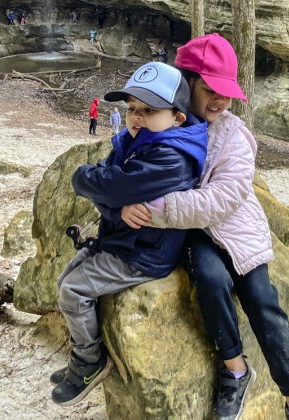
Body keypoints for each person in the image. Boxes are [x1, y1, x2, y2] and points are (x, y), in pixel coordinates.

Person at [121, 34, 289, 420]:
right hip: (195, 235)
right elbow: (127, 166)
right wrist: (122, 201)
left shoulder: (233, 135)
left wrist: (155, 209)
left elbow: (223, 198)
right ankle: (235, 369)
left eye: (226, 93)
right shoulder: (161, 121)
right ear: (186, 82)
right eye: (211, 90)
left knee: (263, 302)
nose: (220, 101)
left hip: (235, 230)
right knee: (210, 279)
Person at [49, 61, 208, 406]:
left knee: (74, 291)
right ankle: (82, 352)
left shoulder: (170, 156)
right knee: (65, 280)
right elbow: (112, 189)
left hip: (143, 254)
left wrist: (88, 182)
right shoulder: (134, 139)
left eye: (149, 110)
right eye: (132, 108)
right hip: (121, 237)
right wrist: (115, 207)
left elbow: (103, 182)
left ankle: (90, 362)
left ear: (178, 117)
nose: (136, 117)